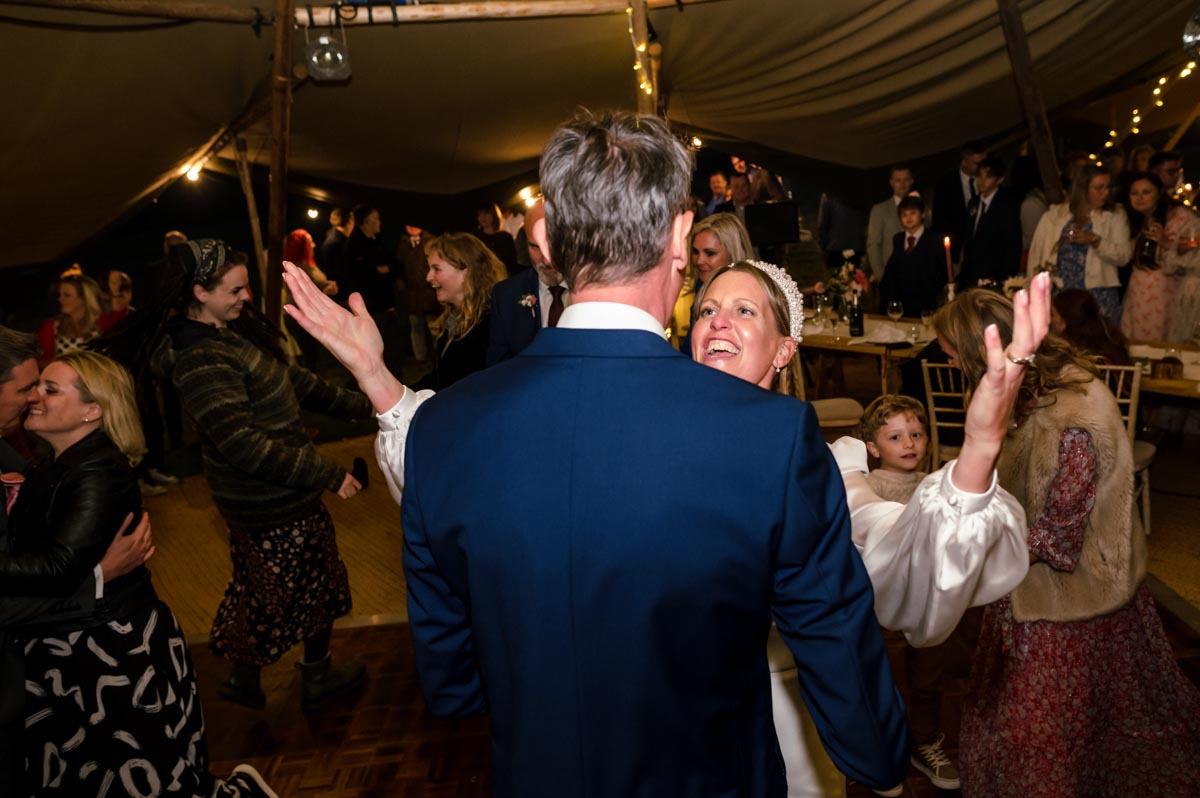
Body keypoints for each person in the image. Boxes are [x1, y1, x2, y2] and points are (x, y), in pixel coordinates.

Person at [282, 111, 1043, 798]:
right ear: (680, 240)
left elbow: (450, 675)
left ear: (545, 243)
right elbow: (834, 637)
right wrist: (878, 757)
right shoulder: (767, 439)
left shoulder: (444, 428)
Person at [936, 289, 1200, 797]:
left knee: (1046, 738)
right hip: (1028, 583)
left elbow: (1059, 538)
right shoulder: (1021, 393)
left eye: (950, 349)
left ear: (979, 348)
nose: (945, 358)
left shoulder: (1070, 417)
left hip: (1068, 602)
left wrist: (970, 553)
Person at [97, 239, 374, 713]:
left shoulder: (226, 333)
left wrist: (370, 402)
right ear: (199, 292)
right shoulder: (200, 359)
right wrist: (326, 472)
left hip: (279, 496)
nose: (247, 297)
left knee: (284, 586)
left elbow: (292, 382)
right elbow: (243, 446)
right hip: (269, 502)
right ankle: (300, 675)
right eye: (236, 289)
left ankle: (261, 675)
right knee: (293, 591)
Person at [5, 350, 276, 796]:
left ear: (93, 410)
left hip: (108, 650)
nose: (34, 396)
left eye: (50, 389)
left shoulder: (98, 471)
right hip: (70, 645)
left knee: (145, 780)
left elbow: (55, 569)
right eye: (37, 387)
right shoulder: (48, 465)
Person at [855, 395, 959, 791]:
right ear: (873, 448)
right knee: (889, 680)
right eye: (896, 437)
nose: (910, 443)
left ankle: (927, 742)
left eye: (916, 434)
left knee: (929, 679)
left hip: (931, 605)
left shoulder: (934, 487)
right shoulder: (868, 489)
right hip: (884, 609)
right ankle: (886, 749)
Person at [1027, 163, 1131, 323]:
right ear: (1083, 189)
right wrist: (1034, 290)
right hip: (1062, 292)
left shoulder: (1115, 215)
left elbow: (1123, 257)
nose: (1106, 193)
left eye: (1108, 187)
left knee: (1098, 343)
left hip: (1098, 293)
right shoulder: (1055, 215)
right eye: (1099, 188)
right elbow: (1037, 254)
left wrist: (1095, 240)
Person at [415, 233, 506, 389]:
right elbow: (439, 379)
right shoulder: (452, 320)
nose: (428, 277)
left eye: (436, 269)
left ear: (466, 273)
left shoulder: (493, 325)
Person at [1118, 171, 1199, 341]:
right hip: (1138, 287)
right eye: (1135, 193)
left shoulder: (1179, 217)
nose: (1140, 198)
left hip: (1164, 287)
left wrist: (1164, 242)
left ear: (1159, 192)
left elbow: (1190, 256)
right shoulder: (1134, 219)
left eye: (1146, 192)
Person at [486, 201, 569, 365]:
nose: (546, 259)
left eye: (553, 245)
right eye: (535, 247)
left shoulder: (596, 288)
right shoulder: (506, 295)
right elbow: (498, 366)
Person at [678, 212, 754, 352]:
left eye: (710, 253)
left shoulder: (752, 295)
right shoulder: (702, 286)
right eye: (695, 252)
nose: (699, 261)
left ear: (733, 253)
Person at [879, 195, 946, 315]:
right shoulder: (898, 239)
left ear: (923, 214)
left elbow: (940, 274)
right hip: (899, 306)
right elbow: (891, 273)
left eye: (913, 213)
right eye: (904, 214)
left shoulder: (934, 240)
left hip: (925, 305)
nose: (908, 218)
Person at [37, 273, 103, 364]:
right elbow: (41, 361)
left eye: (67, 295)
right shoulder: (52, 327)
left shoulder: (102, 324)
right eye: (60, 295)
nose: (60, 299)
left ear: (84, 298)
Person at [1053, 289, 1130, 365]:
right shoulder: (1111, 340)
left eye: (1052, 315)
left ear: (1064, 321)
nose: (1049, 320)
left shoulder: (1070, 355)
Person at [475, 202, 520, 275]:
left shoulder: (505, 237)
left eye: (486, 214)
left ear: (494, 215)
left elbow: (512, 262)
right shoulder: (476, 238)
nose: (482, 217)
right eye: (480, 214)